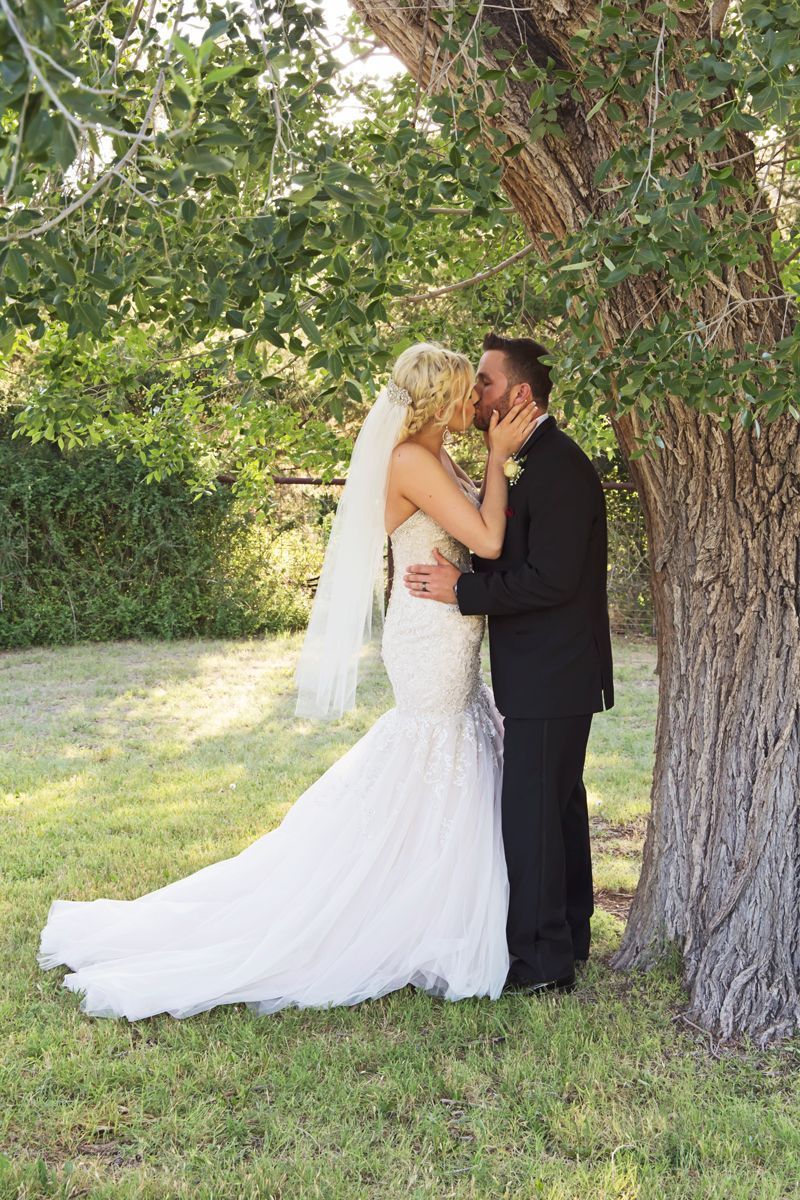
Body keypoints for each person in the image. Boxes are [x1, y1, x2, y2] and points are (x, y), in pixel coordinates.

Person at [38, 343, 537, 1021]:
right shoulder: (412, 460)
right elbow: (484, 539)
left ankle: (429, 899)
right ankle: (407, 908)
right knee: (434, 749)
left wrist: (489, 470)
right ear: (436, 401)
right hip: (428, 637)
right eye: (462, 392)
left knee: (448, 750)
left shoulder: (434, 452)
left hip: (448, 629)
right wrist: (499, 461)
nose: (472, 402)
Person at [404, 332, 614, 994]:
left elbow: (549, 580)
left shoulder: (557, 467)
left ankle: (543, 963)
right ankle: (568, 934)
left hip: (554, 671)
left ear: (521, 394)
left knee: (536, 814)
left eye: (487, 384)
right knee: (553, 807)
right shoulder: (529, 459)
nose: (478, 396)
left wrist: (462, 592)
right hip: (546, 670)